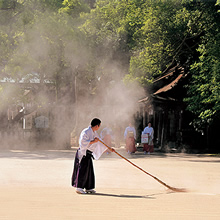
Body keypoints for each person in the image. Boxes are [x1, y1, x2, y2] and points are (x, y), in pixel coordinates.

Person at [71, 118, 115, 194]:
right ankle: (79, 187)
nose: (99, 127)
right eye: (99, 126)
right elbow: (82, 142)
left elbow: (100, 143)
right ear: (97, 125)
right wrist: (93, 141)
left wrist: (109, 149)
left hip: (89, 154)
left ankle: (88, 187)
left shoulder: (94, 133)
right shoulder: (86, 131)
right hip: (83, 153)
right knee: (82, 170)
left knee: (89, 172)